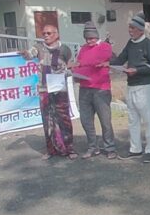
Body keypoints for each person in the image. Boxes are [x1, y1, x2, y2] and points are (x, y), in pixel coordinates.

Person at [20, 24, 77, 160]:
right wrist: (25, 54)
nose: (46, 36)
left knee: (64, 119)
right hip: (44, 89)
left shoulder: (64, 49)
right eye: (44, 33)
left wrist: (67, 72)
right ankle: (51, 150)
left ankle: (69, 149)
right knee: (48, 120)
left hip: (60, 89)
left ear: (56, 35)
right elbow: (29, 54)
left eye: (49, 33)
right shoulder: (38, 48)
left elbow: (71, 66)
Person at [110, 13, 150, 163]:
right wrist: (108, 61)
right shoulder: (130, 43)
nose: (130, 31)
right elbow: (120, 59)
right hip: (131, 85)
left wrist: (137, 70)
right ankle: (135, 148)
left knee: (148, 119)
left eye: (132, 28)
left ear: (140, 30)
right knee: (132, 119)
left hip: (144, 86)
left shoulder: (147, 44)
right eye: (129, 28)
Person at [73, 21, 116, 160]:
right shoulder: (83, 49)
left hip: (101, 89)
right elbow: (79, 63)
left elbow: (97, 61)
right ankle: (92, 147)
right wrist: (75, 71)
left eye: (91, 38)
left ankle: (110, 147)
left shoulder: (105, 47)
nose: (89, 41)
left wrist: (81, 64)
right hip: (84, 88)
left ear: (97, 36)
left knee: (105, 120)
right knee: (86, 120)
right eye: (87, 38)